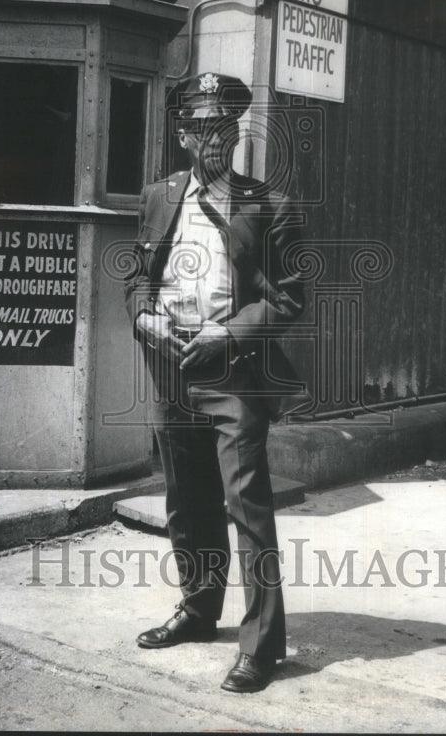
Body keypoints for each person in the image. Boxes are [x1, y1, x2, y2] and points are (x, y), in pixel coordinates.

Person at [124, 72, 306, 693]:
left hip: (232, 374)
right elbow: (137, 276)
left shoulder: (270, 205)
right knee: (186, 501)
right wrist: (145, 316)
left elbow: (287, 301)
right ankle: (200, 611)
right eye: (202, 129)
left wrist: (227, 335)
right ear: (183, 135)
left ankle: (263, 647)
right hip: (171, 368)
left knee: (247, 508)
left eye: (225, 128)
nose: (215, 140)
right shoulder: (157, 196)